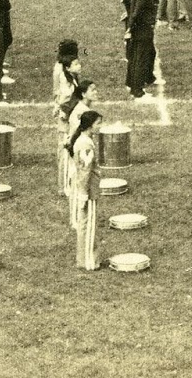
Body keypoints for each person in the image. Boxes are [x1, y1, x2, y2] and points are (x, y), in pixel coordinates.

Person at [68, 109, 103, 269]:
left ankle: (84, 259)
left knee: (85, 224)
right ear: (90, 126)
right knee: (88, 225)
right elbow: (85, 171)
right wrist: (83, 194)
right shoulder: (85, 144)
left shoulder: (84, 140)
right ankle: (89, 261)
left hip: (86, 188)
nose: (100, 126)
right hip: (88, 190)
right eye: (98, 123)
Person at [124, 0, 159, 99]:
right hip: (142, 30)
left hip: (140, 29)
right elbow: (136, 13)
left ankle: (132, 83)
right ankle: (137, 91)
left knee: (140, 57)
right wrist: (130, 30)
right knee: (141, 60)